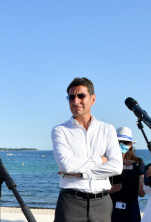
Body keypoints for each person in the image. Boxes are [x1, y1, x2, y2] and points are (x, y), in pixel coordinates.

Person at [51, 77, 123, 222]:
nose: (76, 101)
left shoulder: (107, 129)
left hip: (102, 203)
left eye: (81, 96)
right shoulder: (60, 130)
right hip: (71, 202)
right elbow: (66, 165)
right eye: (71, 97)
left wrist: (81, 174)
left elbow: (116, 167)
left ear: (93, 99)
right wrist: (100, 160)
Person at [109, 126, 145, 222]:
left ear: (130, 145)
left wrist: (136, 172)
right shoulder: (106, 162)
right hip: (110, 207)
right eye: (118, 141)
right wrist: (107, 190)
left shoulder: (138, 163)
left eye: (125, 142)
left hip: (131, 209)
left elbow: (142, 193)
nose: (121, 144)